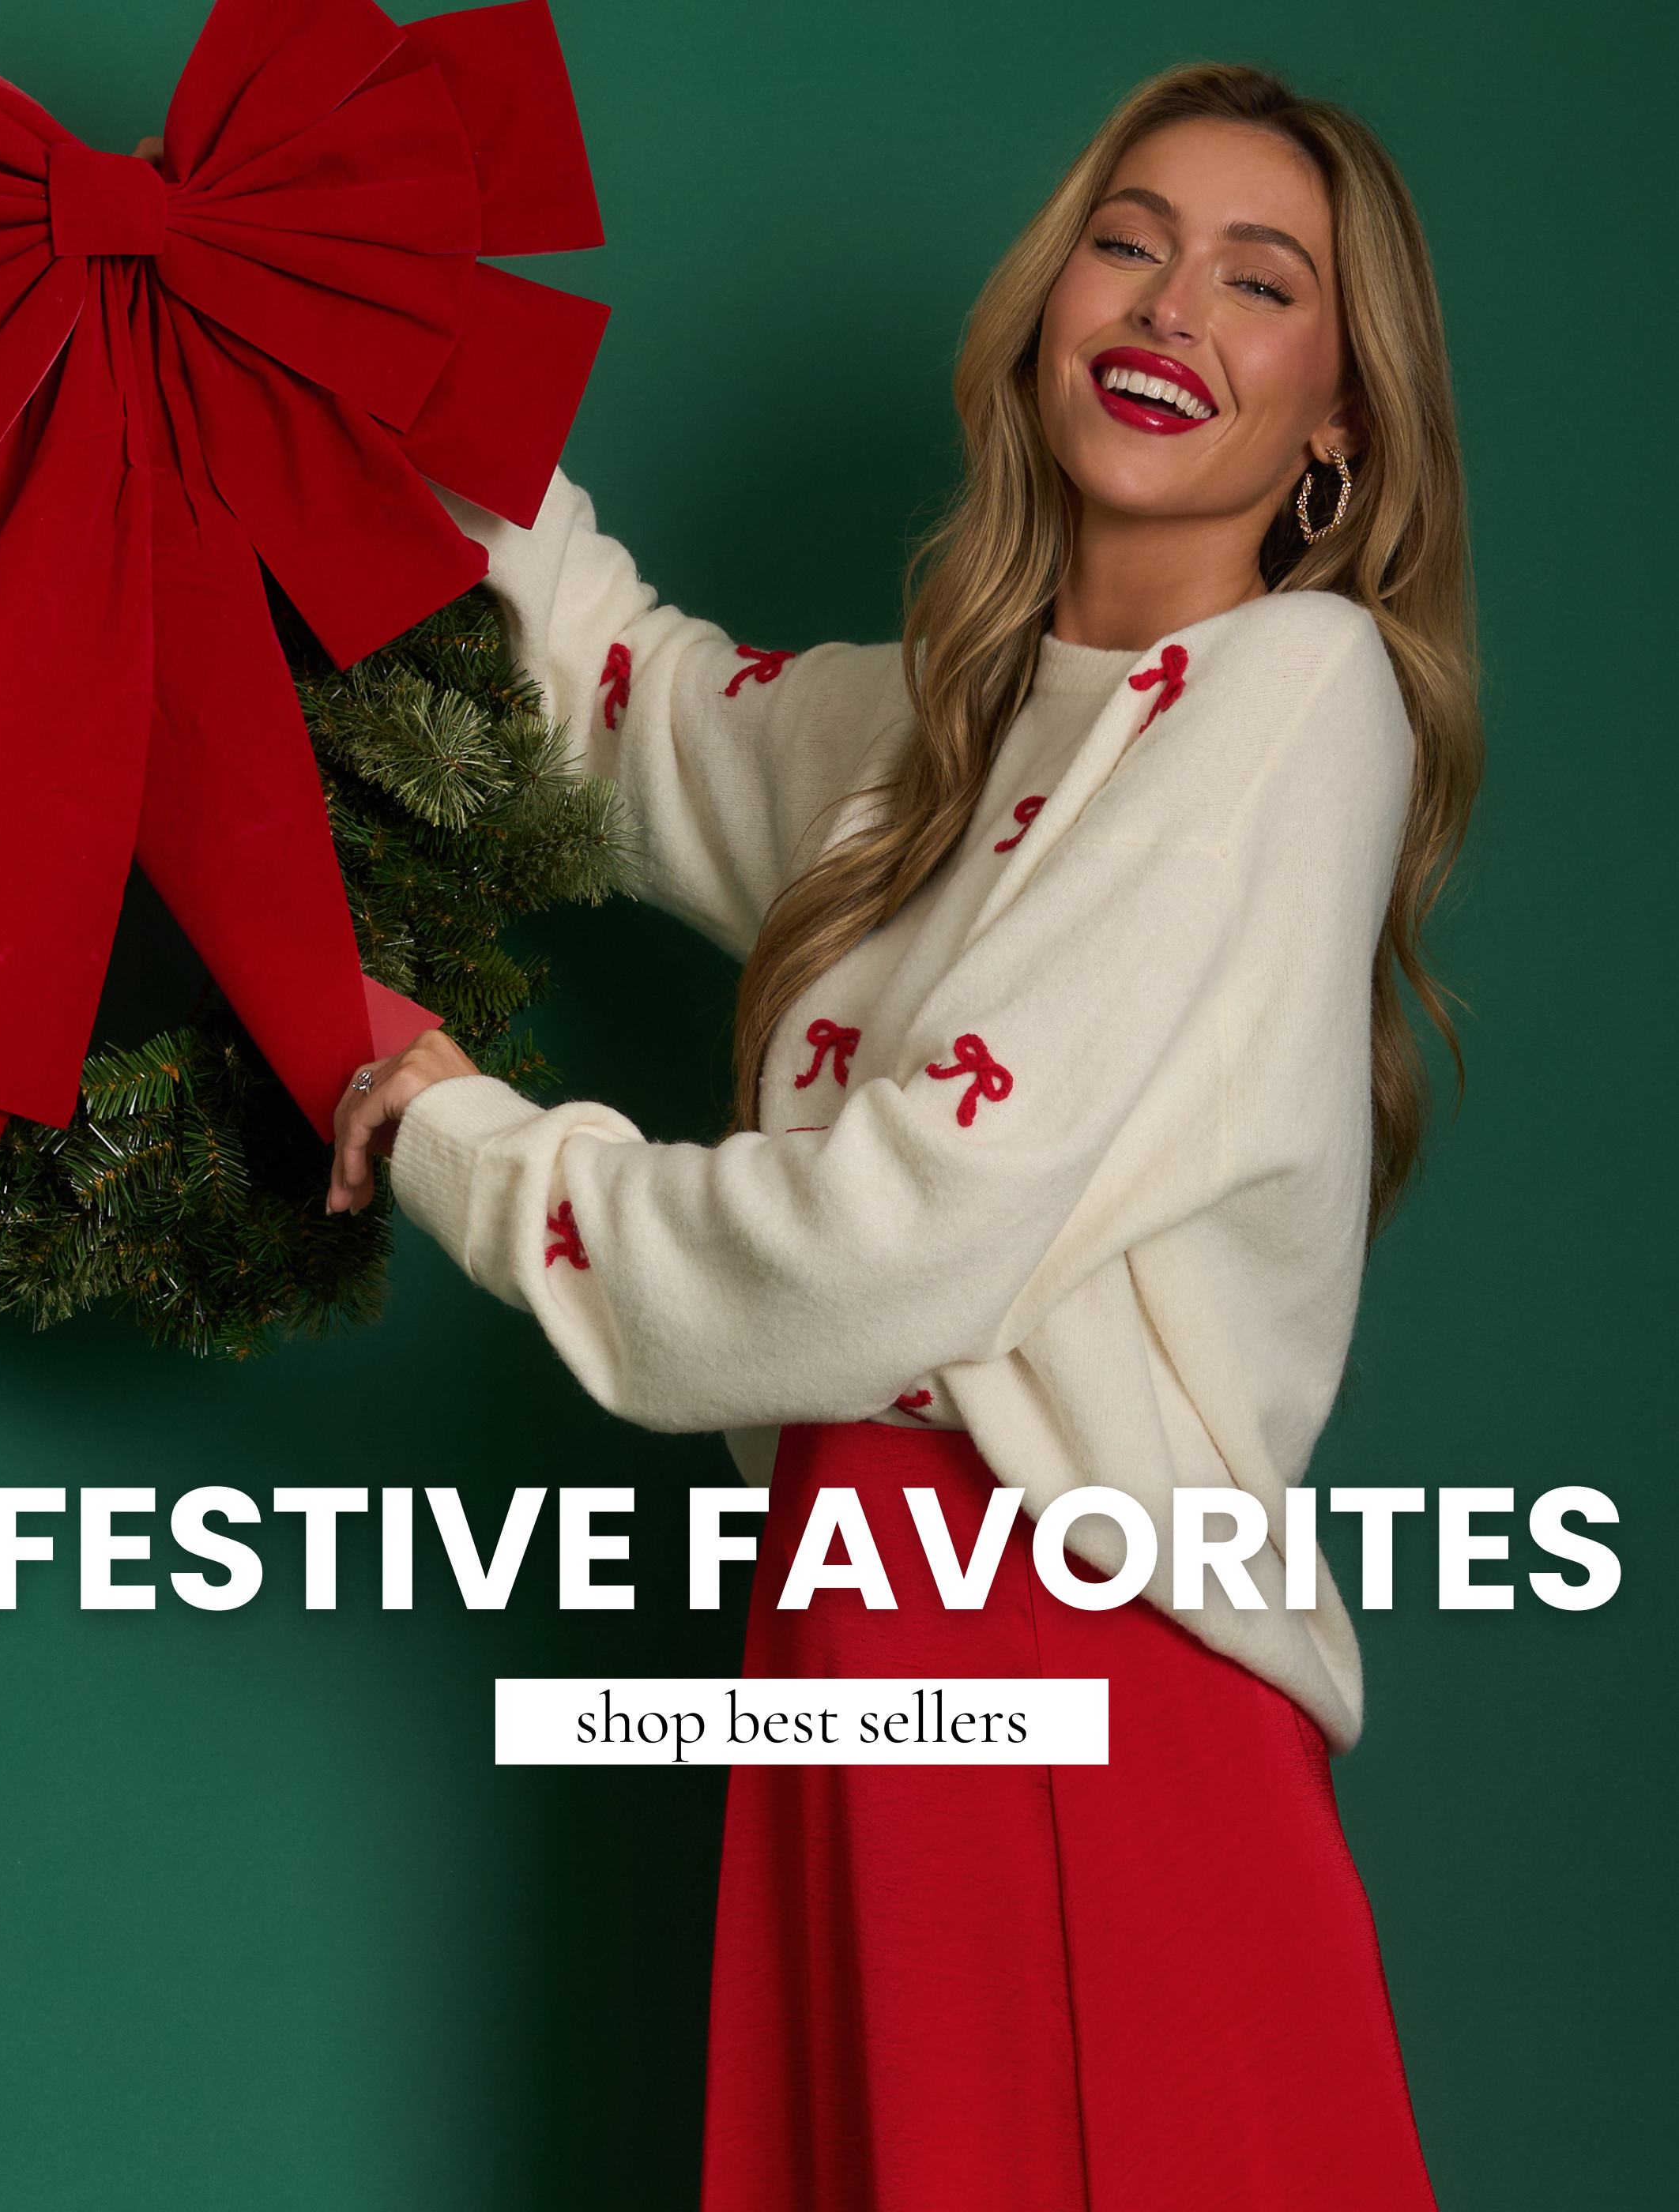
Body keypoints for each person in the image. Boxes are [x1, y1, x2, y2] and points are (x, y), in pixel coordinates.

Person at [329, 61, 1478, 2212]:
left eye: (1259, 281)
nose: (1166, 310)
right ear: (1050, 297)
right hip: (852, 1651)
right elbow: (606, 699)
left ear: (1338, 419)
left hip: (1062, 1650)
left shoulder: (1296, 694)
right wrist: (359, 314)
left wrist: (461, 1138)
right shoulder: (928, 732)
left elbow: (895, 1239)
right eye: (1126, 242)